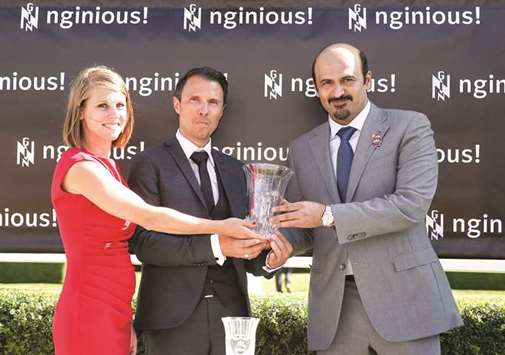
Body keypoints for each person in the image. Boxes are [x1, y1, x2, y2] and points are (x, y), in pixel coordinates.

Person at [51, 66, 265, 355]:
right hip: (89, 303)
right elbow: (149, 217)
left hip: (114, 305)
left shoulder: (108, 167)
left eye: (120, 105)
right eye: (102, 106)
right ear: (80, 111)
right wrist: (221, 227)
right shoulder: (81, 167)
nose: (114, 114)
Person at [270, 43, 463, 355]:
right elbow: (305, 225)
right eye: (326, 83)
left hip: (403, 300)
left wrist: (328, 215)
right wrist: (283, 246)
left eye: (347, 80)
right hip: (335, 309)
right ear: (317, 89)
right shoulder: (301, 148)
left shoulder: (409, 127)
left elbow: (410, 205)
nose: (337, 92)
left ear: (368, 80)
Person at [128, 66, 293, 355]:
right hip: (170, 321)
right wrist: (217, 244)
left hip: (232, 319)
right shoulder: (149, 164)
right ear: (177, 104)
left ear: (222, 111)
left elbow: (249, 255)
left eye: (213, 102)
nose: (204, 110)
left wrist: (271, 260)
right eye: (195, 100)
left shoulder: (236, 170)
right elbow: (145, 244)